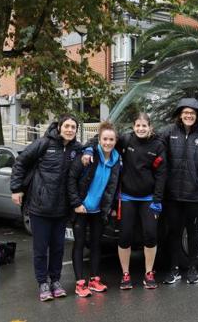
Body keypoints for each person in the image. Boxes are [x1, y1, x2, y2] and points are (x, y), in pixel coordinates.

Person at [82, 113, 166, 290]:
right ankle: (125, 274)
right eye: (138, 126)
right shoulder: (126, 140)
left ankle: (149, 273)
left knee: (150, 234)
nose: (141, 129)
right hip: (127, 197)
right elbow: (103, 139)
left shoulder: (157, 145)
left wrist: (157, 200)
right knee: (124, 235)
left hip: (149, 199)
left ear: (150, 127)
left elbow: (161, 174)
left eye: (144, 126)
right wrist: (89, 149)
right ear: (133, 127)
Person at [10, 114, 83, 302]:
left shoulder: (77, 148)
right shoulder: (44, 143)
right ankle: (43, 282)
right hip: (40, 207)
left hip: (61, 209)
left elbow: (92, 146)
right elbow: (20, 162)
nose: (70, 130)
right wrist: (16, 189)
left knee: (58, 248)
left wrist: (89, 151)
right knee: (41, 249)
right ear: (59, 127)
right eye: (66, 126)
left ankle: (56, 281)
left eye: (73, 127)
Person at [160, 98, 198, 285]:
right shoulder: (169, 132)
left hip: (195, 194)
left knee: (193, 232)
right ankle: (174, 268)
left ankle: (192, 268)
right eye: (185, 113)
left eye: (192, 113)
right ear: (179, 114)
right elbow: (155, 148)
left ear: (197, 116)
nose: (188, 116)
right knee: (174, 232)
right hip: (173, 194)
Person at [67, 122, 120, 297]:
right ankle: (80, 283)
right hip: (82, 208)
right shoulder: (88, 155)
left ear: (115, 140)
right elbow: (71, 179)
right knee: (80, 244)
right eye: (105, 139)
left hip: (98, 210)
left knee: (97, 245)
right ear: (99, 138)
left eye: (111, 139)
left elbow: (113, 187)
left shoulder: (116, 160)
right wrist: (76, 203)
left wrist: (110, 207)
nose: (108, 143)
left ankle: (94, 280)